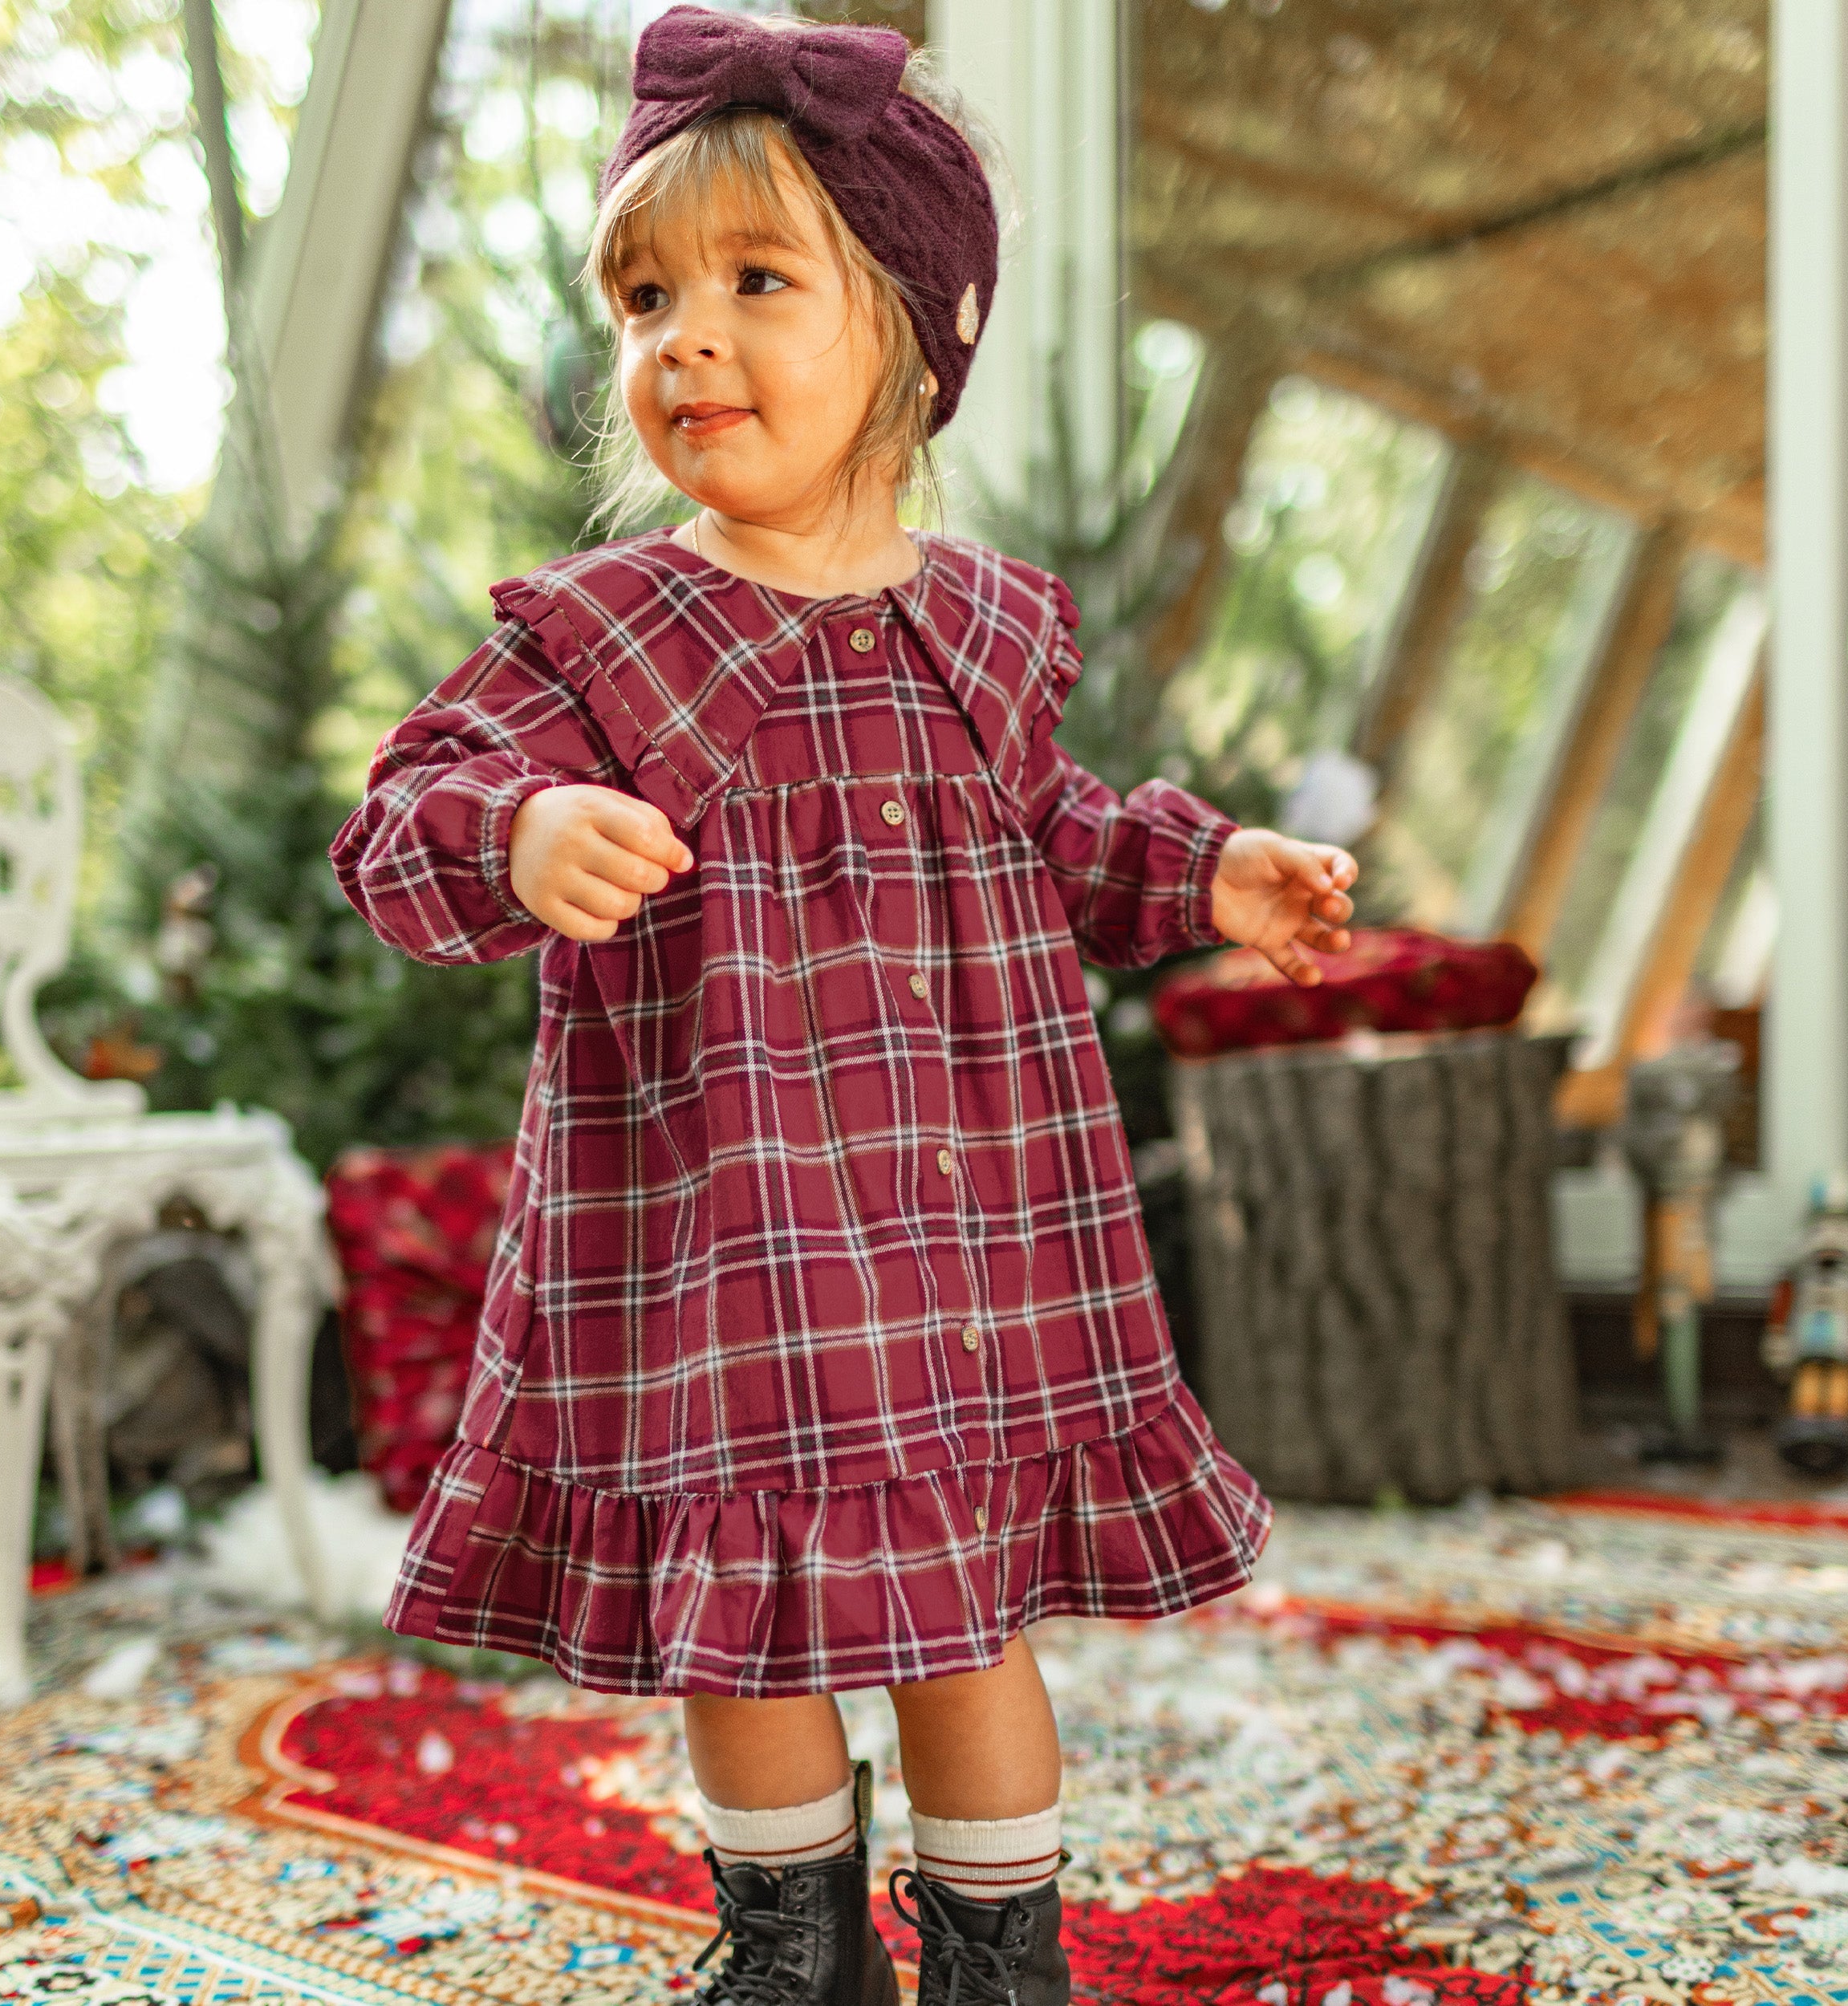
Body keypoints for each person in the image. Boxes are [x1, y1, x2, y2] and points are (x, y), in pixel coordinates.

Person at [330, 10, 1358, 2003]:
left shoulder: (981, 627)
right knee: (750, 1614)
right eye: (641, 295)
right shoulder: (603, 633)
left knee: (961, 1607)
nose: (680, 338)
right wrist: (522, 826)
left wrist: (1212, 872)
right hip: (723, 1231)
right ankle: (795, 1953)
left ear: (902, 327)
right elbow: (402, 822)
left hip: (967, 1230)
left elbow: (1058, 830)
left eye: (751, 282)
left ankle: (998, 1957)